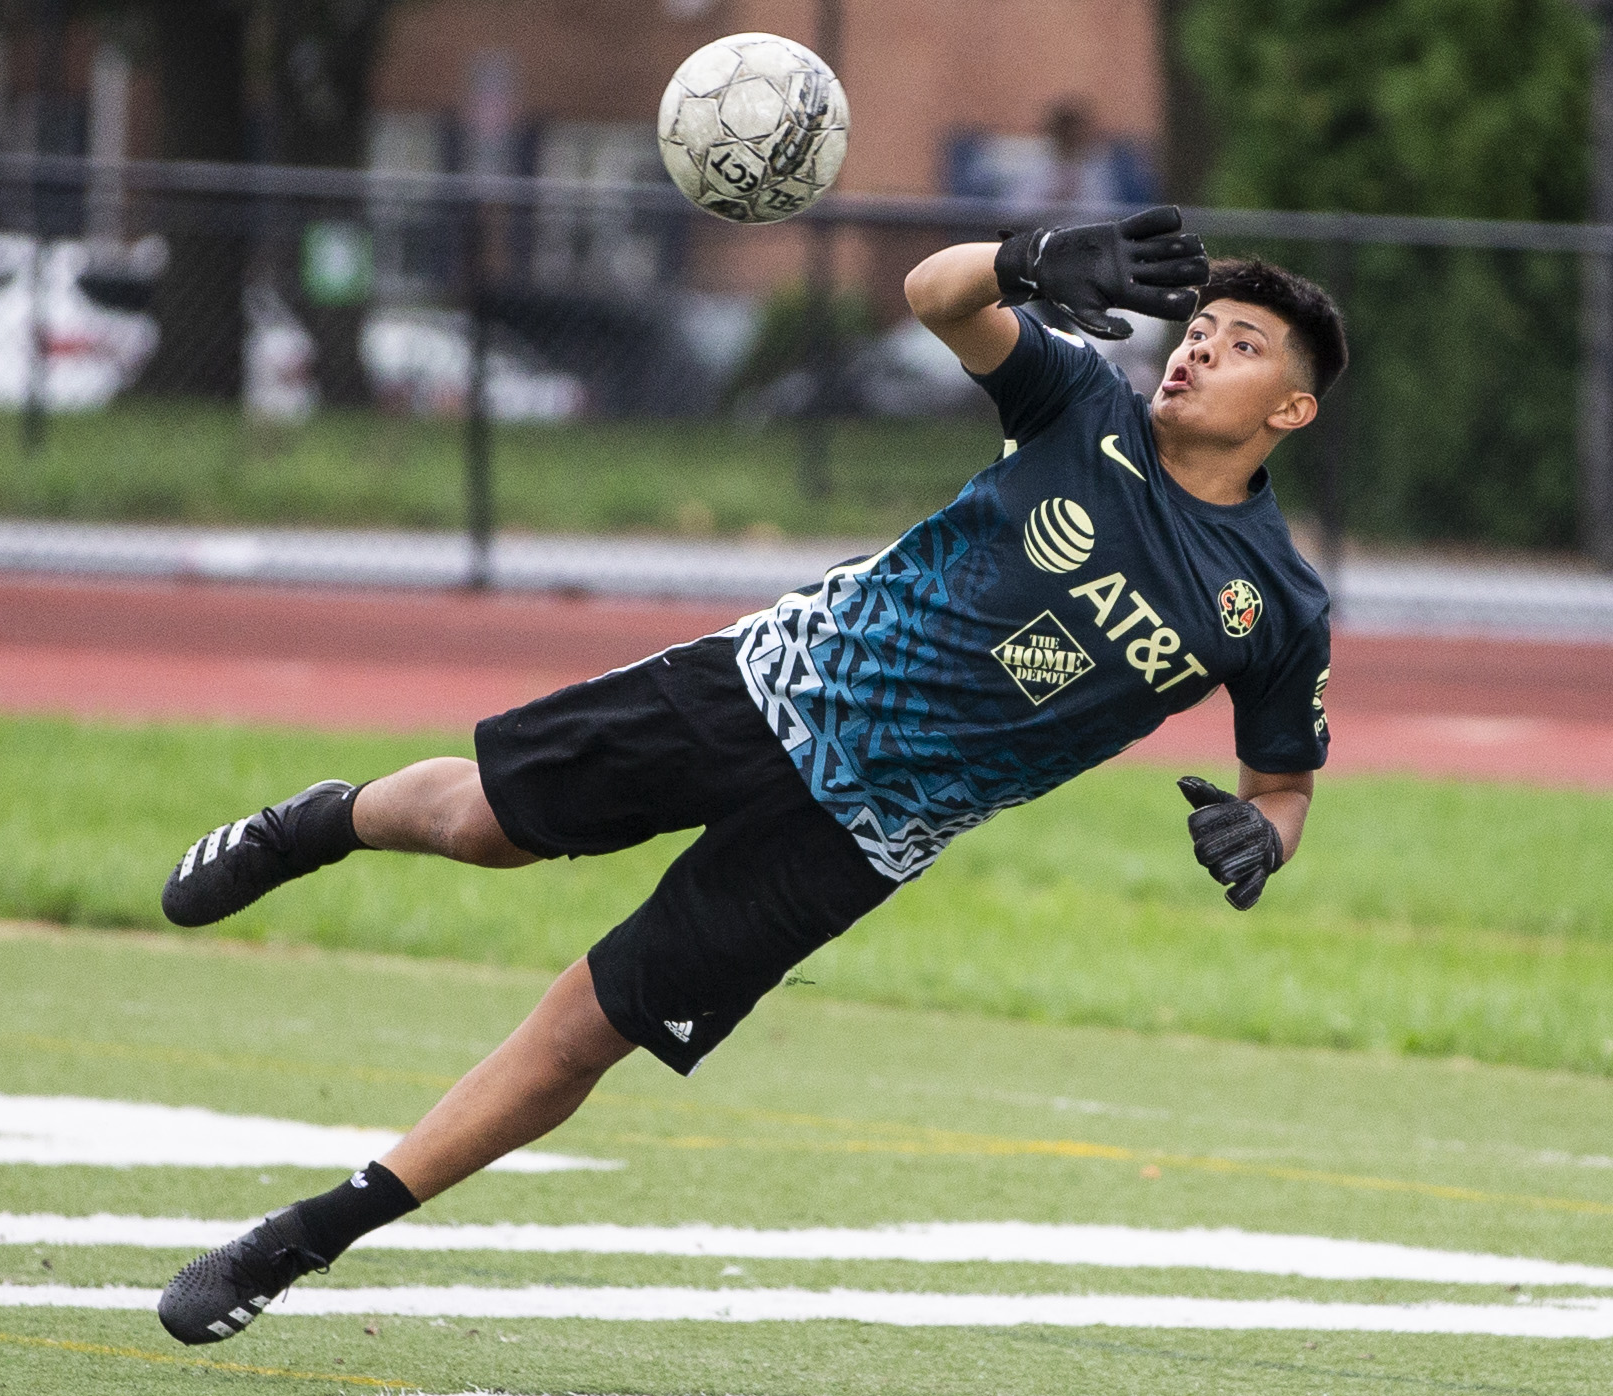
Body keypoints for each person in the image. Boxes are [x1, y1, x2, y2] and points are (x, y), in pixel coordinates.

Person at [153, 206, 1344, 1347]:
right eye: (1196, 330)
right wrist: (1025, 257)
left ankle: (298, 1242)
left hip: (864, 836)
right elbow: (933, 295)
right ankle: (313, 825)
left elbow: (1279, 785)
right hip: (767, 687)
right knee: (483, 824)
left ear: (1290, 407)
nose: (1197, 352)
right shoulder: (1083, 404)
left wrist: (1263, 838)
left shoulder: (1277, 603)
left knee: (591, 1027)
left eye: (1239, 347)